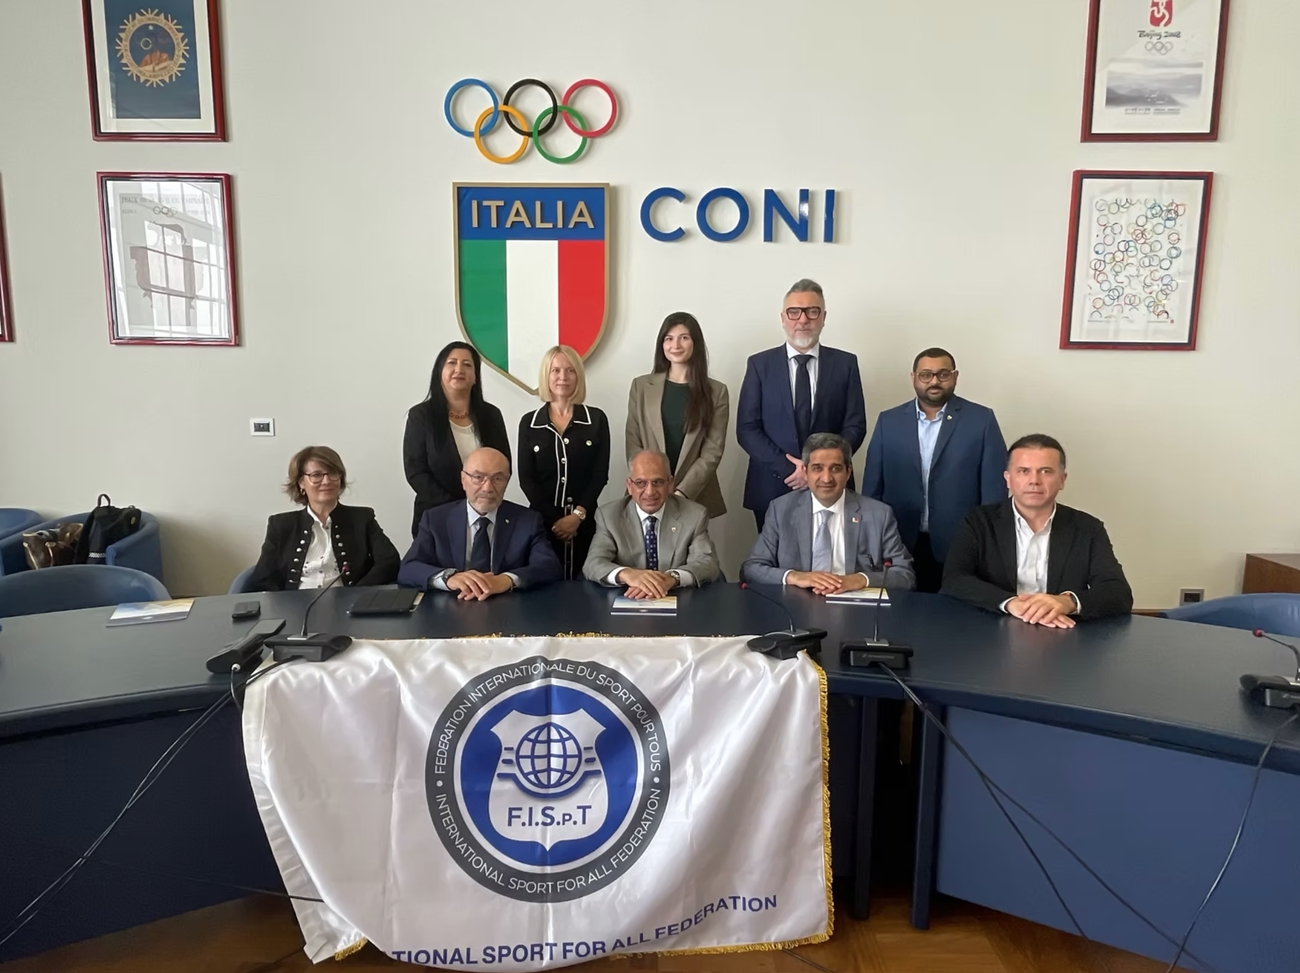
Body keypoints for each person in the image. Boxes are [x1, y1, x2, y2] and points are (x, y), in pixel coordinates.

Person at [941, 434, 1132, 626]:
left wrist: (1067, 602)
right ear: (1008, 479)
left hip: (1063, 631)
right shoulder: (978, 522)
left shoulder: (1088, 528)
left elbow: (1118, 592)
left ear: (1062, 479)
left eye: (1045, 471)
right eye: (1024, 471)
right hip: (993, 629)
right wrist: (1010, 603)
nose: (1034, 480)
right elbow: (955, 579)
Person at [863, 348, 1007, 592]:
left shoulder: (981, 420)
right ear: (914, 378)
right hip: (899, 540)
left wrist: (987, 543)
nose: (934, 381)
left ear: (955, 376)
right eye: (926, 375)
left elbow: (994, 490)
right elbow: (872, 487)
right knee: (900, 610)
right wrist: (871, 539)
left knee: (954, 611)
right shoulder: (889, 421)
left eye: (943, 374)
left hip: (960, 542)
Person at [737, 278, 866, 531]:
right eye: (794, 312)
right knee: (775, 556)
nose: (803, 319)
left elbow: (855, 425)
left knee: (832, 554)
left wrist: (820, 468)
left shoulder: (845, 364)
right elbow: (747, 429)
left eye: (812, 311)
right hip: (773, 486)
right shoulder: (760, 365)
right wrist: (790, 469)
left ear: (823, 317)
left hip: (830, 485)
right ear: (783, 318)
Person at [741, 433, 915, 593]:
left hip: (855, 606)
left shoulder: (878, 514)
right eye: (817, 468)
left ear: (848, 472)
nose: (826, 478)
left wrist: (860, 579)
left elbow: (905, 575)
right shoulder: (781, 510)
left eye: (835, 468)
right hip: (796, 606)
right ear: (805, 473)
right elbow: (752, 569)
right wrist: (795, 577)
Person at [398, 447, 561, 598]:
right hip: (450, 607)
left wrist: (507, 579)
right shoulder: (435, 519)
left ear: (507, 481)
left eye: (497, 478)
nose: (487, 488)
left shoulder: (528, 520)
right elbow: (408, 568)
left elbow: (549, 566)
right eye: (478, 478)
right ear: (463, 479)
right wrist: (449, 578)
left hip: (507, 607)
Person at [247, 446, 400, 592]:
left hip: (349, 605)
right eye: (316, 475)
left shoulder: (362, 518)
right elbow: (263, 578)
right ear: (301, 482)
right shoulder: (281, 525)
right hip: (297, 606)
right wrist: (284, 605)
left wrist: (359, 593)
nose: (326, 481)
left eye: (332, 473)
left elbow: (389, 561)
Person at [517, 346, 610, 579]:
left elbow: (600, 475)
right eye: (555, 370)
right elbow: (526, 479)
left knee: (586, 584)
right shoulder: (529, 423)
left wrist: (577, 516)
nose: (563, 377)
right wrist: (556, 521)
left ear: (578, 376)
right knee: (544, 583)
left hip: (585, 524)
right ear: (546, 375)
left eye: (570, 370)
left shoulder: (596, 419)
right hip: (542, 524)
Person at [625, 312, 730, 519]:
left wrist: (681, 492)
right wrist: (652, 486)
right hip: (647, 494)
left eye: (684, 338)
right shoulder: (641, 386)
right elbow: (633, 441)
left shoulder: (716, 391)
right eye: (669, 338)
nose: (676, 345)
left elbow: (712, 451)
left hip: (694, 495)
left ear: (695, 343)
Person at [403, 341, 510, 537]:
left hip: (485, 515)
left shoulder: (491, 415)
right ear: (439, 372)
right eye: (451, 363)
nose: (459, 369)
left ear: (475, 376)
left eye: (467, 364)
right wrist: (460, 507)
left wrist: (479, 504)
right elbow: (416, 472)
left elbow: (503, 464)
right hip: (436, 516)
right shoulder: (421, 416)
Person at [583, 451, 719, 598]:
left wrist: (672, 578)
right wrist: (628, 574)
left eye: (657, 482)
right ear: (629, 485)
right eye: (640, 483)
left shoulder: (694, 515)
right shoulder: (609, 516)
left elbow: (706, 563)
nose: (650, 492)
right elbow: (593, 563)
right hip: (627, 596)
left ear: (670, 484)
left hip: (677, 596)